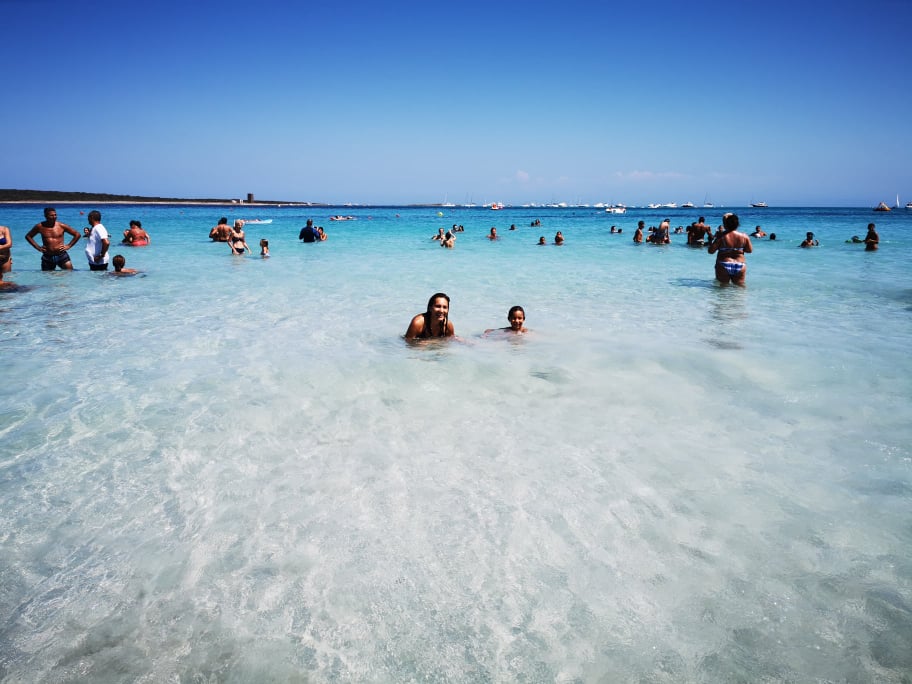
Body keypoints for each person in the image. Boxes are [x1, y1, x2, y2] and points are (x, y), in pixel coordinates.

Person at [708, 212, 752, 287]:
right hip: (740, 264)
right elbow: (749, 250)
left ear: (725, 224)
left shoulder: (721, 236)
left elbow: (711, 251)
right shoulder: (744, 236)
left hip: (724, 264)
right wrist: (738, 250)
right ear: (737, 224)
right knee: (740, 290)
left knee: (723, 290)